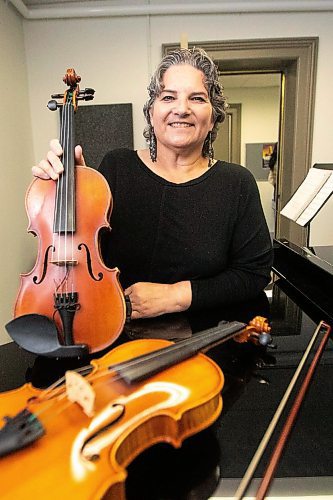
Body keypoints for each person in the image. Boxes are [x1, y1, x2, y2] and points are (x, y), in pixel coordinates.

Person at [32, 48, 273, 320]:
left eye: (197, 98)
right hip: (114, 329)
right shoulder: (117, 167)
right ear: (151, 112)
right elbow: (82, 252)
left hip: (206, 337)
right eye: (168, 97)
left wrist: (175, 296)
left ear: (214, 116)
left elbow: (253, 274)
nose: (181, 109)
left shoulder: (237, 183)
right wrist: (69, 192)